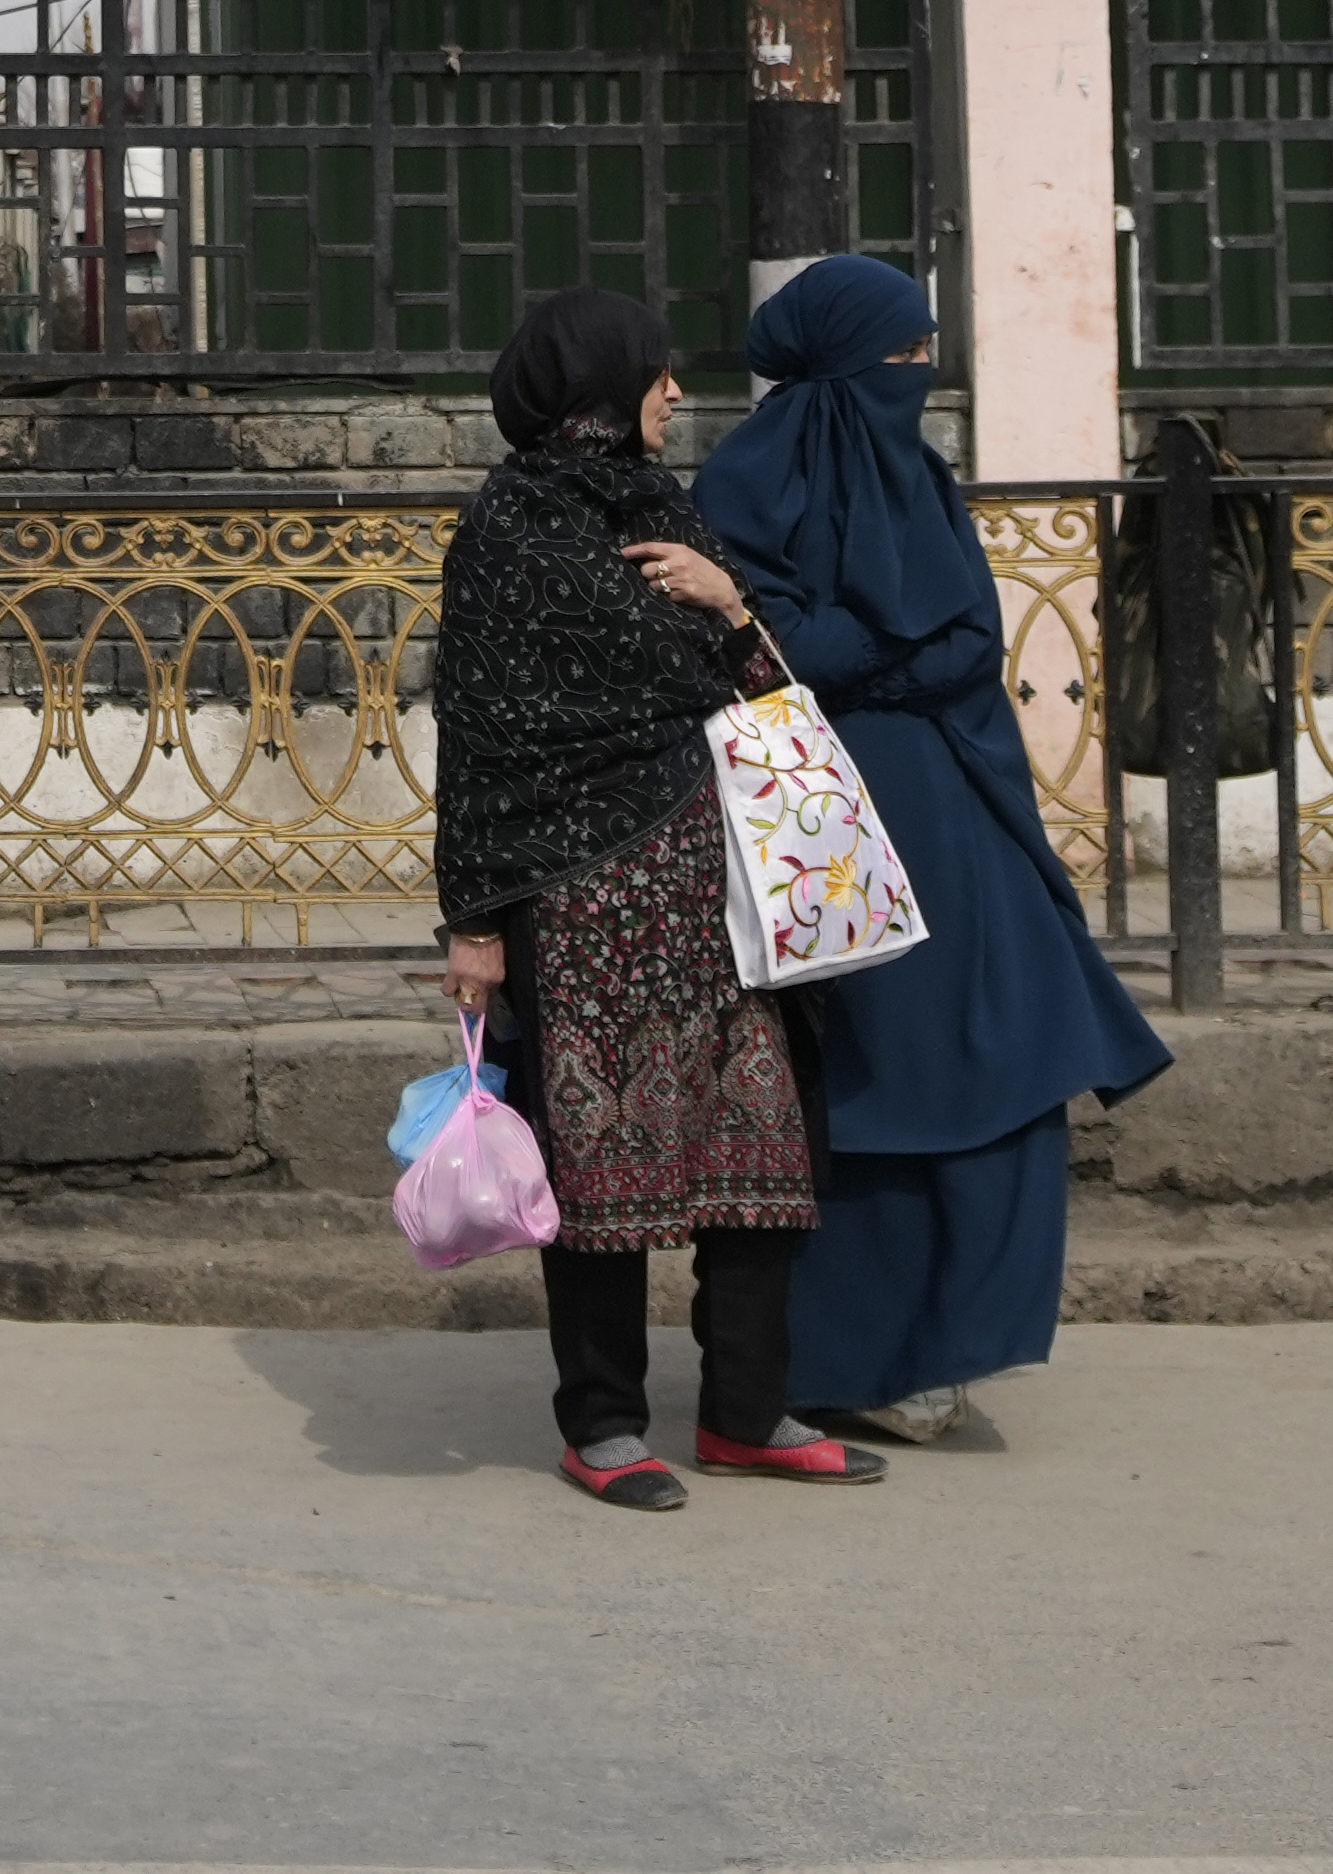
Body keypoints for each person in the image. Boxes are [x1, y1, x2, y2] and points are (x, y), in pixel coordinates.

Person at [691, 257, 1167, 1444]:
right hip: (818, 824)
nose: (920, 376)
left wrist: (854, 649)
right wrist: (865, 648)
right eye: (900, 356)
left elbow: (962, 638)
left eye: (925, 352)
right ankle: (842, 1360)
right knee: (858, 1092)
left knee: (1001, 1059)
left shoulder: (921, 472)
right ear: (844, 360)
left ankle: (950, 1341)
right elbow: (762, 640)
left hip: (952, 807)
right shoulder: (746, 482)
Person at [435, 285, 878, 1510]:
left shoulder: (666, 515)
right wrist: (474, 924)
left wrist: (728, 602)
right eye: (658, 371)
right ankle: (606, 1425)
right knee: (601, 1174)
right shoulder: (511, 530)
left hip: (718, 896)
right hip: (579, 905)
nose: (677, 393)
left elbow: (763, 692)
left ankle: (743, 1412)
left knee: (761, 1155)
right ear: (597, 385)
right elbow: (475, 738)